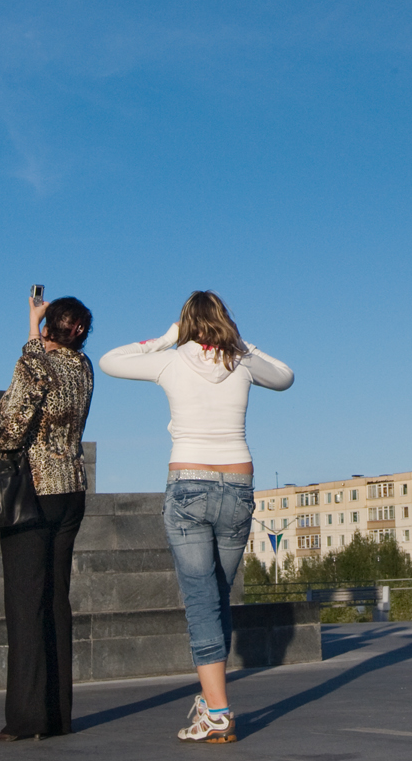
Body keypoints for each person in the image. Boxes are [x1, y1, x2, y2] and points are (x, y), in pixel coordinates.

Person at [99, 291, 293, 745]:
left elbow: (110, 360)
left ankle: (219, 712)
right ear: (225, 321)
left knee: (203, 602)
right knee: (218, 598)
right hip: (238, 487)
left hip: (189, 486)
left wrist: (165, 339)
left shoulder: (172, 359)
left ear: (185, 323)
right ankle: (210, 703)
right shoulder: (240, 361)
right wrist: (243, 345)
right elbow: (285, 377)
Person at [0, 293, 95, 742]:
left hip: (33, 489)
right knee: (56, 602)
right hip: (71, 488)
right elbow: (51, 359)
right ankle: (56, 716)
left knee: (25, 603)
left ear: (51, 327)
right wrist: (38, 327)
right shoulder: (82, 368)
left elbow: (14, 420)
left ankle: (26, 720)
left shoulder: (36, 362)